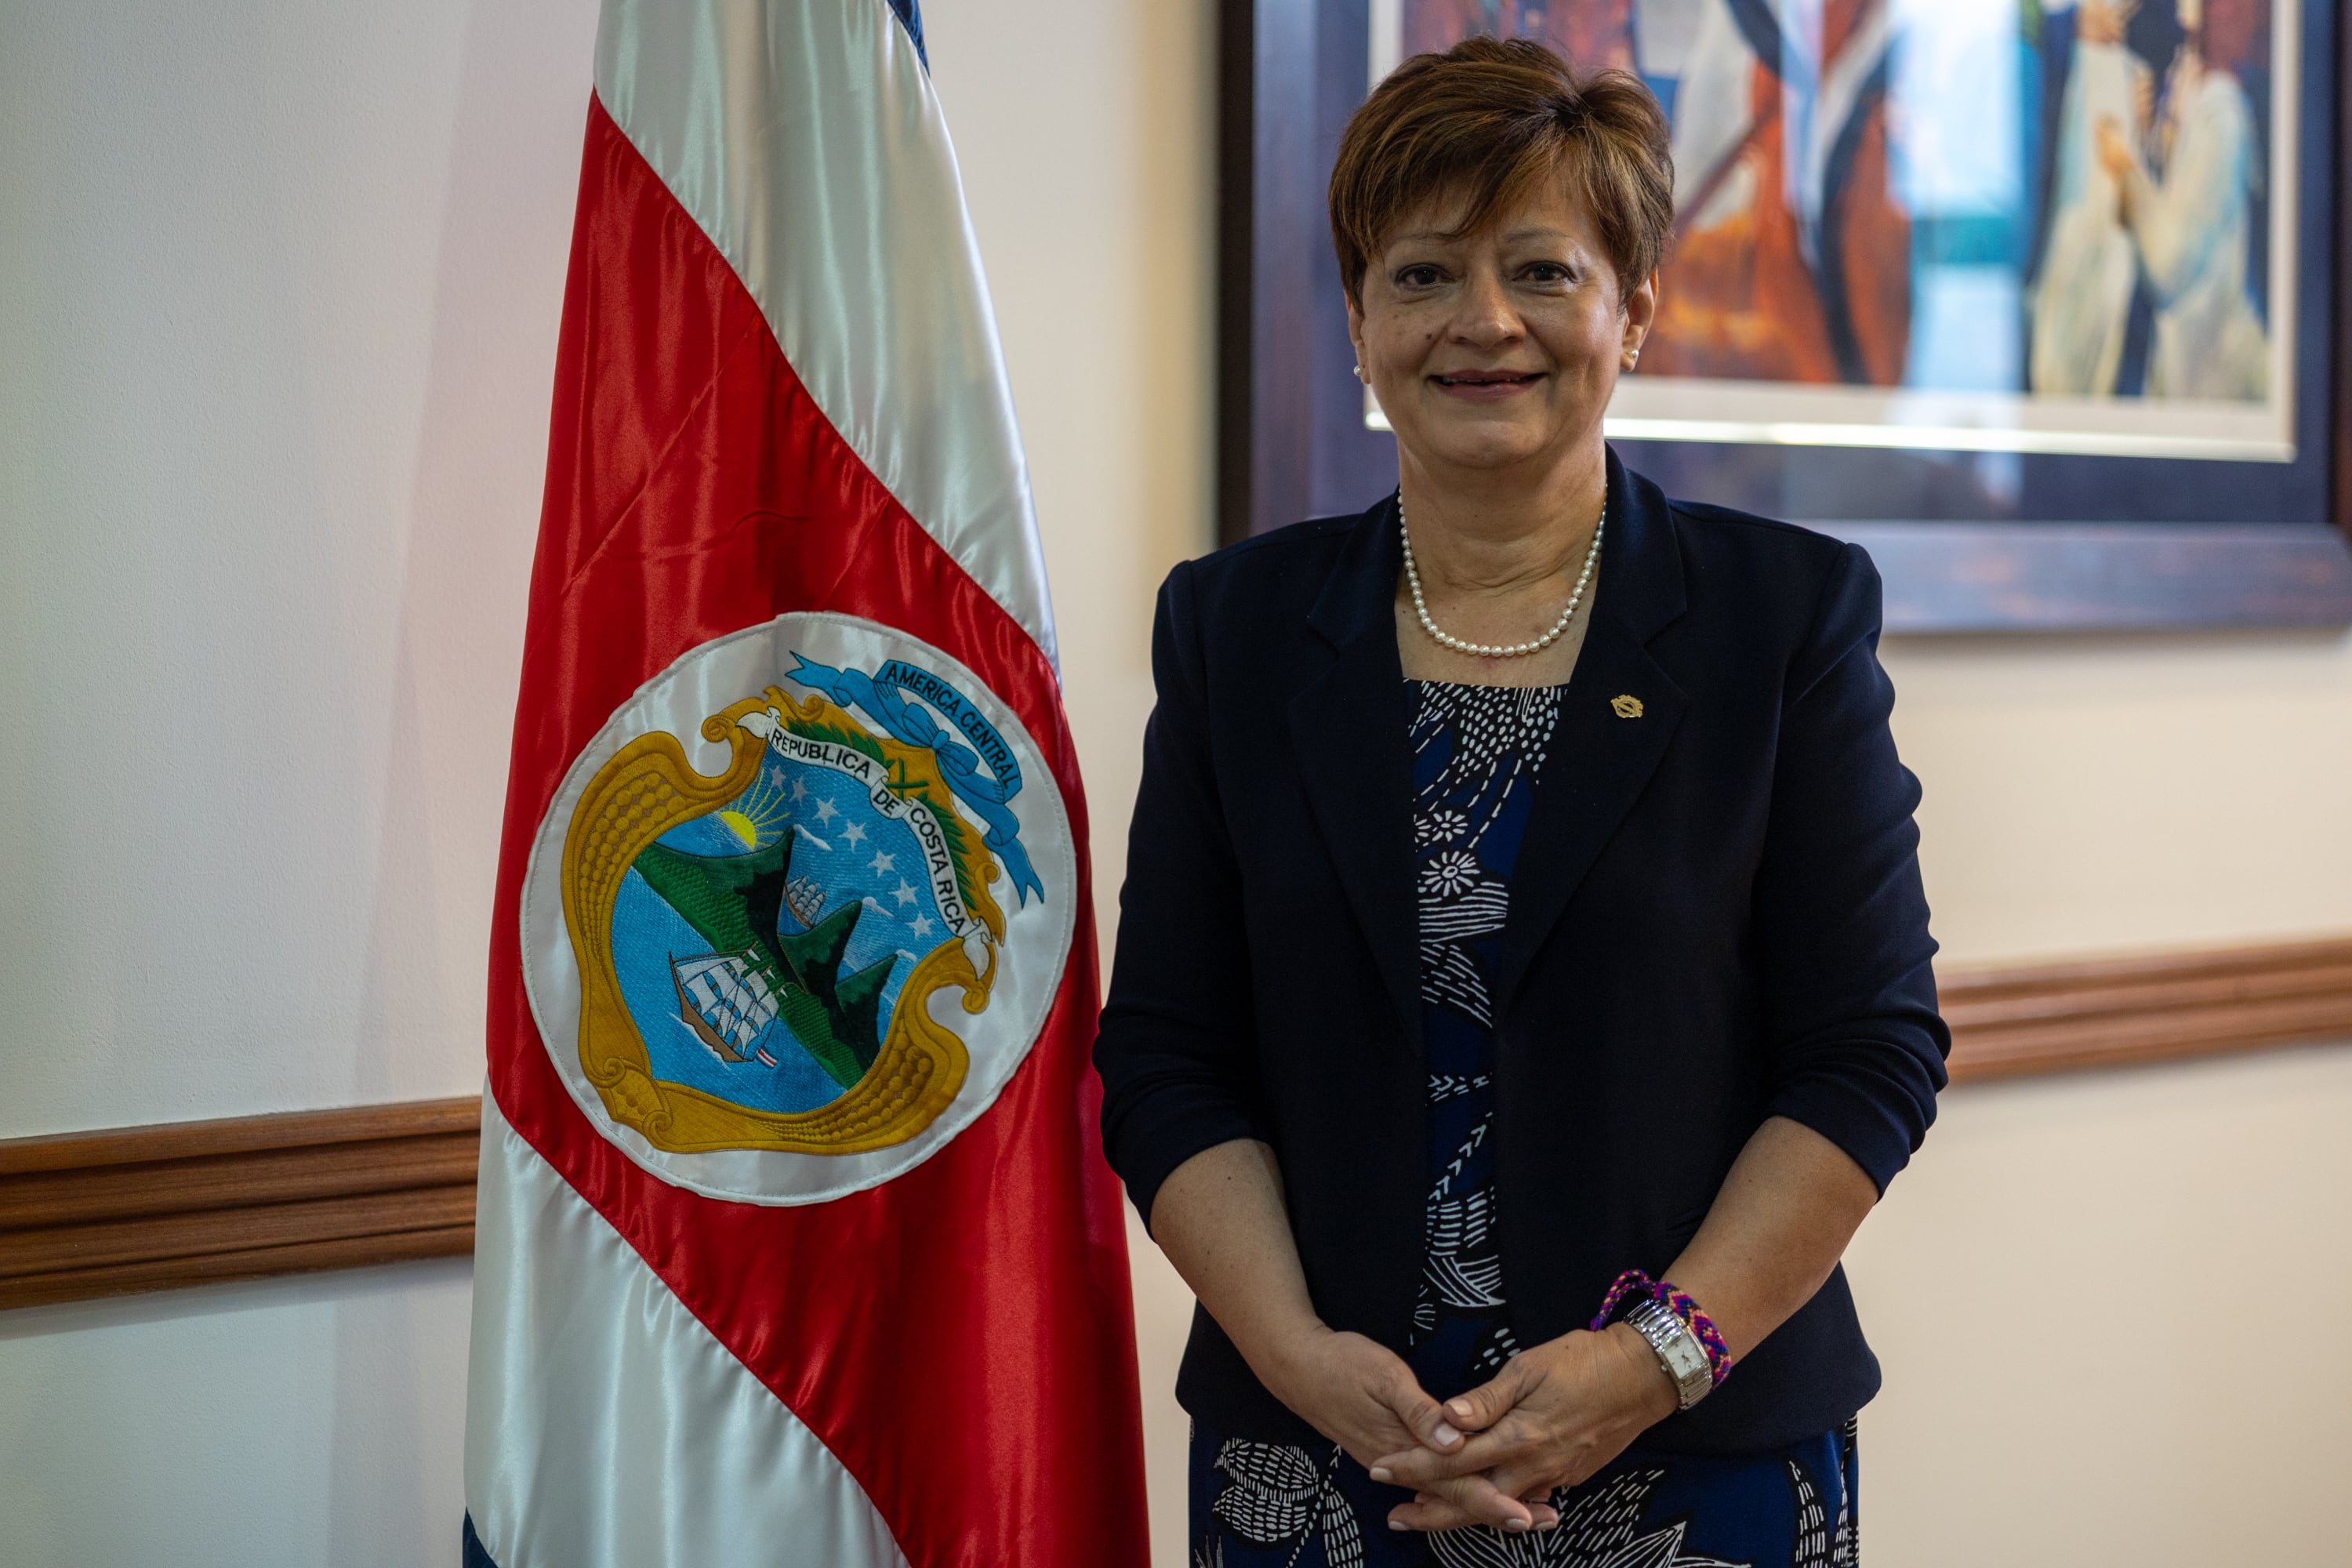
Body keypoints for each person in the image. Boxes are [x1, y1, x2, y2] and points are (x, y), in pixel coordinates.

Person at [1092, 38, 1946, 1568]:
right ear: (1358, 317)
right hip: (1322, 1458)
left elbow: (1865, 1053)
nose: (1483, 322)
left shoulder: (1783, 620)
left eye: (1542, 269)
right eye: (1422, 274)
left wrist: (1647, 1360)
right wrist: (1297, 1355)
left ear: (1636, 307)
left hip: (1697, 1449)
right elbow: (1167, 1050)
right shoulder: (1234, 631)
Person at [2092, 0, 2269, 401]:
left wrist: (2125, 168)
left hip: (2214, 384)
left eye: (2188, 49)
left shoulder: (2219, 113)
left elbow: (2168, 260)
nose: (2173, 74)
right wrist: (2151, 147)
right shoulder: (2205, 111)